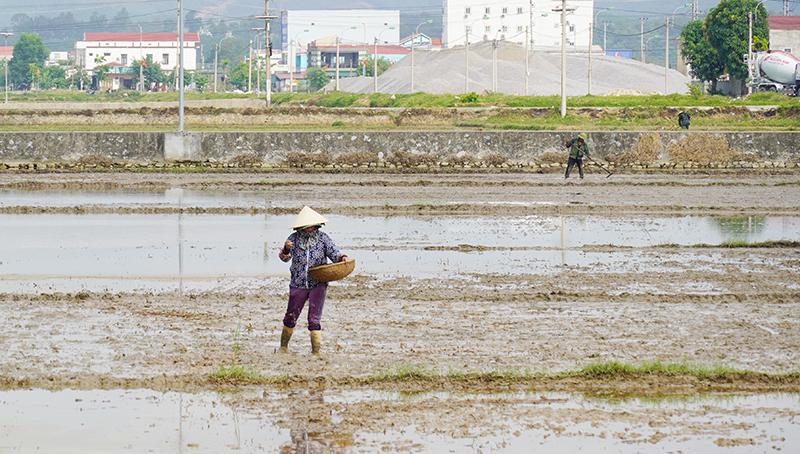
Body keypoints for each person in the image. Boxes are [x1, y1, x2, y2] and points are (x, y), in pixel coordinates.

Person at [278, 206, 348, 355]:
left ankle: (316, 352)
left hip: (318, 284)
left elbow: (334, 252)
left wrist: (342, 258)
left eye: (312, 225)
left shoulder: (323, 238)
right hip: (298, 283)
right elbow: (285, 258)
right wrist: (285, 249)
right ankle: (283, 347)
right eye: (307, 226)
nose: (310, 228)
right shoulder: (293, 239)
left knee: (314, 319)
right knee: (291, 316)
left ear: (316, 225)